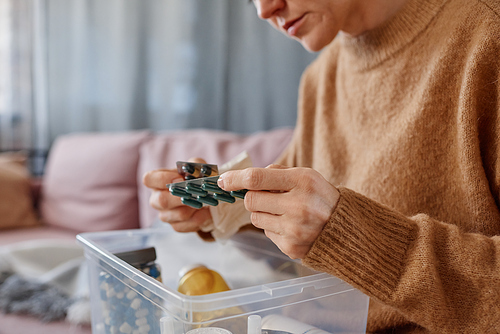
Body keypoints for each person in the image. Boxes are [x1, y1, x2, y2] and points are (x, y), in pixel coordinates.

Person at [143, 0, 500, 332]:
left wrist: (352, 237)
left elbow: (335, 232)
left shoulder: (487, 35)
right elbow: (308, 241)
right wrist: (226, 208)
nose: (265, 9)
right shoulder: (319, 80)